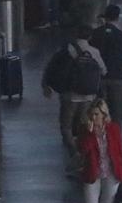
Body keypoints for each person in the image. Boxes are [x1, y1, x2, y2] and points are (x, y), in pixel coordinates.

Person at [43, 25, 107, 159]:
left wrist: (46, 85)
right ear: (90, 37)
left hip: (69, 95)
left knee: (66, 127)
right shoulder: (94, 51)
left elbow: (51, 66)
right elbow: (103, 71)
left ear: (76, 34)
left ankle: (75, 153)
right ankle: (84, 153)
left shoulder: (66, 49)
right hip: (89, 96)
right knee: (83, 126)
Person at [91, 5, 122, 123]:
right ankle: (114, 139)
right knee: (116, 116)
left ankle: (99, 138)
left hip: (98, 78)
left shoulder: (95, 34)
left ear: (105, 16)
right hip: (117, 78)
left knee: (98, 114)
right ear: (118, 17)